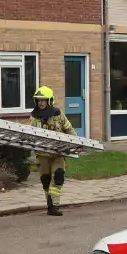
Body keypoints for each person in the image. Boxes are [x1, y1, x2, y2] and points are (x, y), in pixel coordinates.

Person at [29, 86, 75, 217]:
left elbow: (69, 129)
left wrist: (76, 143)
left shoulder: (58, 115)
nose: (41, 103)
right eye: (38, 100)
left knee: (58, 176)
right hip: (42, 156)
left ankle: (54, 206)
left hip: (57, 154)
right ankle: (49, 206)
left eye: (43, 100)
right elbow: (30, 135)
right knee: (46, 180)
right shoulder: (34, 118)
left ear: (49, 101)